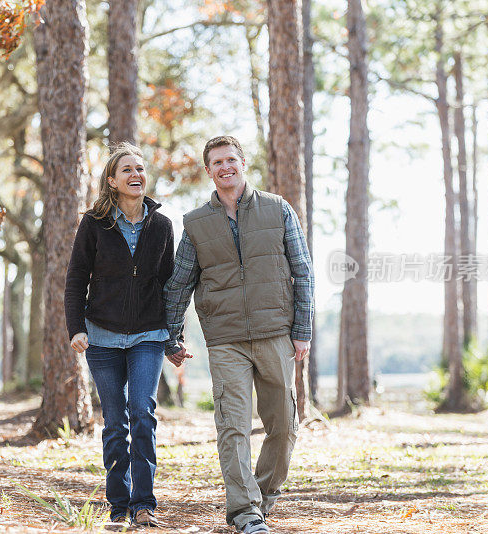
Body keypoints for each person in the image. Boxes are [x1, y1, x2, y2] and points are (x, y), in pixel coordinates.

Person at [163, 136, 314, 534]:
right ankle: (246, 513)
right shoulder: (196, 223)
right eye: (217, 162)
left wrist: (302, 330)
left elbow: (303, 271)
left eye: (231, 159)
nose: (225, 166)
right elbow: (180, 282)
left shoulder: (278, 209)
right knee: (232, 426)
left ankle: (261, 499)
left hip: (276, 333)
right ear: (208, 170)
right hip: (225, 338)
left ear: (243, 163)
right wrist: (171, 334)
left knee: (283, 424)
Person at [64, 143, 174, 527]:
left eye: (140, 168)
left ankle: (144, 503)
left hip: (148, 334)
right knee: (115, 422)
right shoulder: (95, 223)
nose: (135, 175)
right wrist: (75, 327)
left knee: (142, 412)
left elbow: (168, 284)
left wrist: (172, 338)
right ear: (112, 180)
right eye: (127, 169)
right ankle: (118, 505)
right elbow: (77, 277)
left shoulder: (161, 225)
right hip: (102, 337)